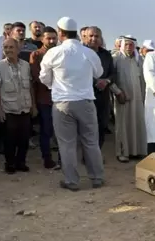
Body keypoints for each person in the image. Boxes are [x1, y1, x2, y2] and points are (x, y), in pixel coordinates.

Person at [39, 17, 105, 191]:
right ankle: (97, 177)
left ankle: (72, 181)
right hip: (85, 102)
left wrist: (54, 86)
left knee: (67, 144)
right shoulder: (88, 53)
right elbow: (99, 73)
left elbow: (44, 77)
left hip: (62, 103)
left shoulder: (53, 53)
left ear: (60, 33)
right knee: (91, 141)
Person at [0, 38, 37, 174]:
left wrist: (33, 105)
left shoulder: (26, 65)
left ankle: (21, 162)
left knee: (24, 139)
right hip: (9, 109)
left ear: (18, 49)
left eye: (11, 47)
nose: (8, 50)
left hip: (25, 107)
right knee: (9, 139)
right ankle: (10, 163)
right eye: (6, 47)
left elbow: (30, 87)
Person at [111, 36, 147, 162]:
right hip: (123, 98)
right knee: (123, 126)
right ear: (122, 45)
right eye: (126, 44)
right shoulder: (116, 58)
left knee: (137, 123)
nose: (129, 47)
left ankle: (137, 151)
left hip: (138, 98)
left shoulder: (139, 59)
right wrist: (118, 92)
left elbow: (143, 80)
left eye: (131, 45)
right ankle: (123, 152)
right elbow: (110, 78)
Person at [29, 27, 59, 169]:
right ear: (42, 39)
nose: (52, 41)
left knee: (61, 131)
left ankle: (62, 158)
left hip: (60, 98)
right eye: (48, 38)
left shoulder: (61, 54)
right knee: (46, 130)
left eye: (54, 38)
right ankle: (47, 158)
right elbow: (37, 77)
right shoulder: (36, 55)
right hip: (44, 99)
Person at [84, 27, 114, 149]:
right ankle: (86, 155)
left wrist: (106, 81)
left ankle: (96, 153)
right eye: (91, 36)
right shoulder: (80, 53)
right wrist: (96, 82)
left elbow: (113, 73)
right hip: (85, 96)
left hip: (103, 97)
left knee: (101, 126)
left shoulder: (106, 55)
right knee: (86, 127)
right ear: (85, 37)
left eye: (97, 36)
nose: (94, 39)